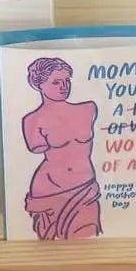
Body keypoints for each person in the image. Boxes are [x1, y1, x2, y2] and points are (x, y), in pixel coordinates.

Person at [20, 55, 102, 241]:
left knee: (86, 241)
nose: (64, 86)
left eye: (67, 81)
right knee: (47, 250)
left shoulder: (88, 109)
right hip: (48, 191)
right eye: (56, 82)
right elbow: (36, 148)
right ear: (39, 85)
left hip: (84, 187)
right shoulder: (32, 120)